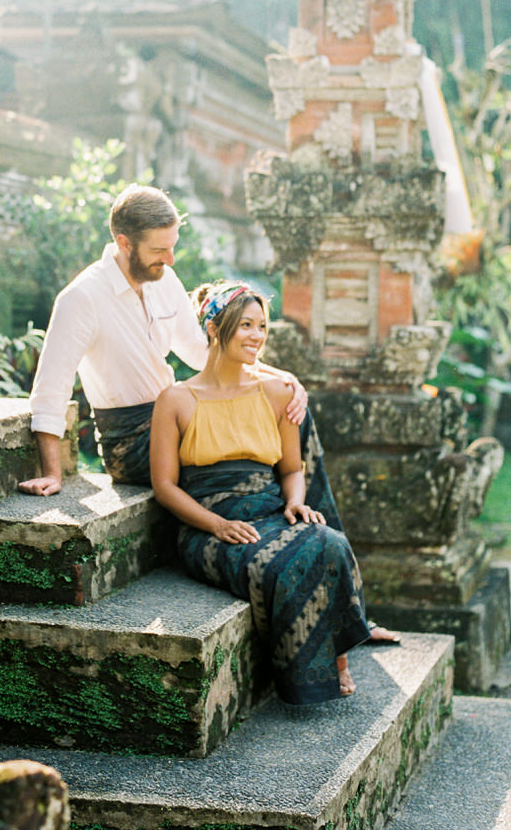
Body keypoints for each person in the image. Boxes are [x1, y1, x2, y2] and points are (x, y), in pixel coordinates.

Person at [150, 280, 391, 704]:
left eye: (262, 326)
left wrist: (296, 501)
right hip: (209, 526)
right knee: (277, 566)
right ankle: (303, 676)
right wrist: (218, 525)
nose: (257, 336)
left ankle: (337, 657)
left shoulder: (278, 393)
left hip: (270, 510)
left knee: (330, 542)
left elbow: (292, 469)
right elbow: (165, 487)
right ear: (214, 328)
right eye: (245, 325)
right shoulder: (175, 400)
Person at [20, 185, 309, 496]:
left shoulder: (164, 280)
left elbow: (202, 354)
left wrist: (284, 380)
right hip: (131, 441)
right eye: (159, 251)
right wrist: (51, 473)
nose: (170, 259)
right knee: (246, 451)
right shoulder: (81, 298)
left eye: (172, 247)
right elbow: (51, 389)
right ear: (124, 243)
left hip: (177, 415)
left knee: (290, 413)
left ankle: (304, 518)